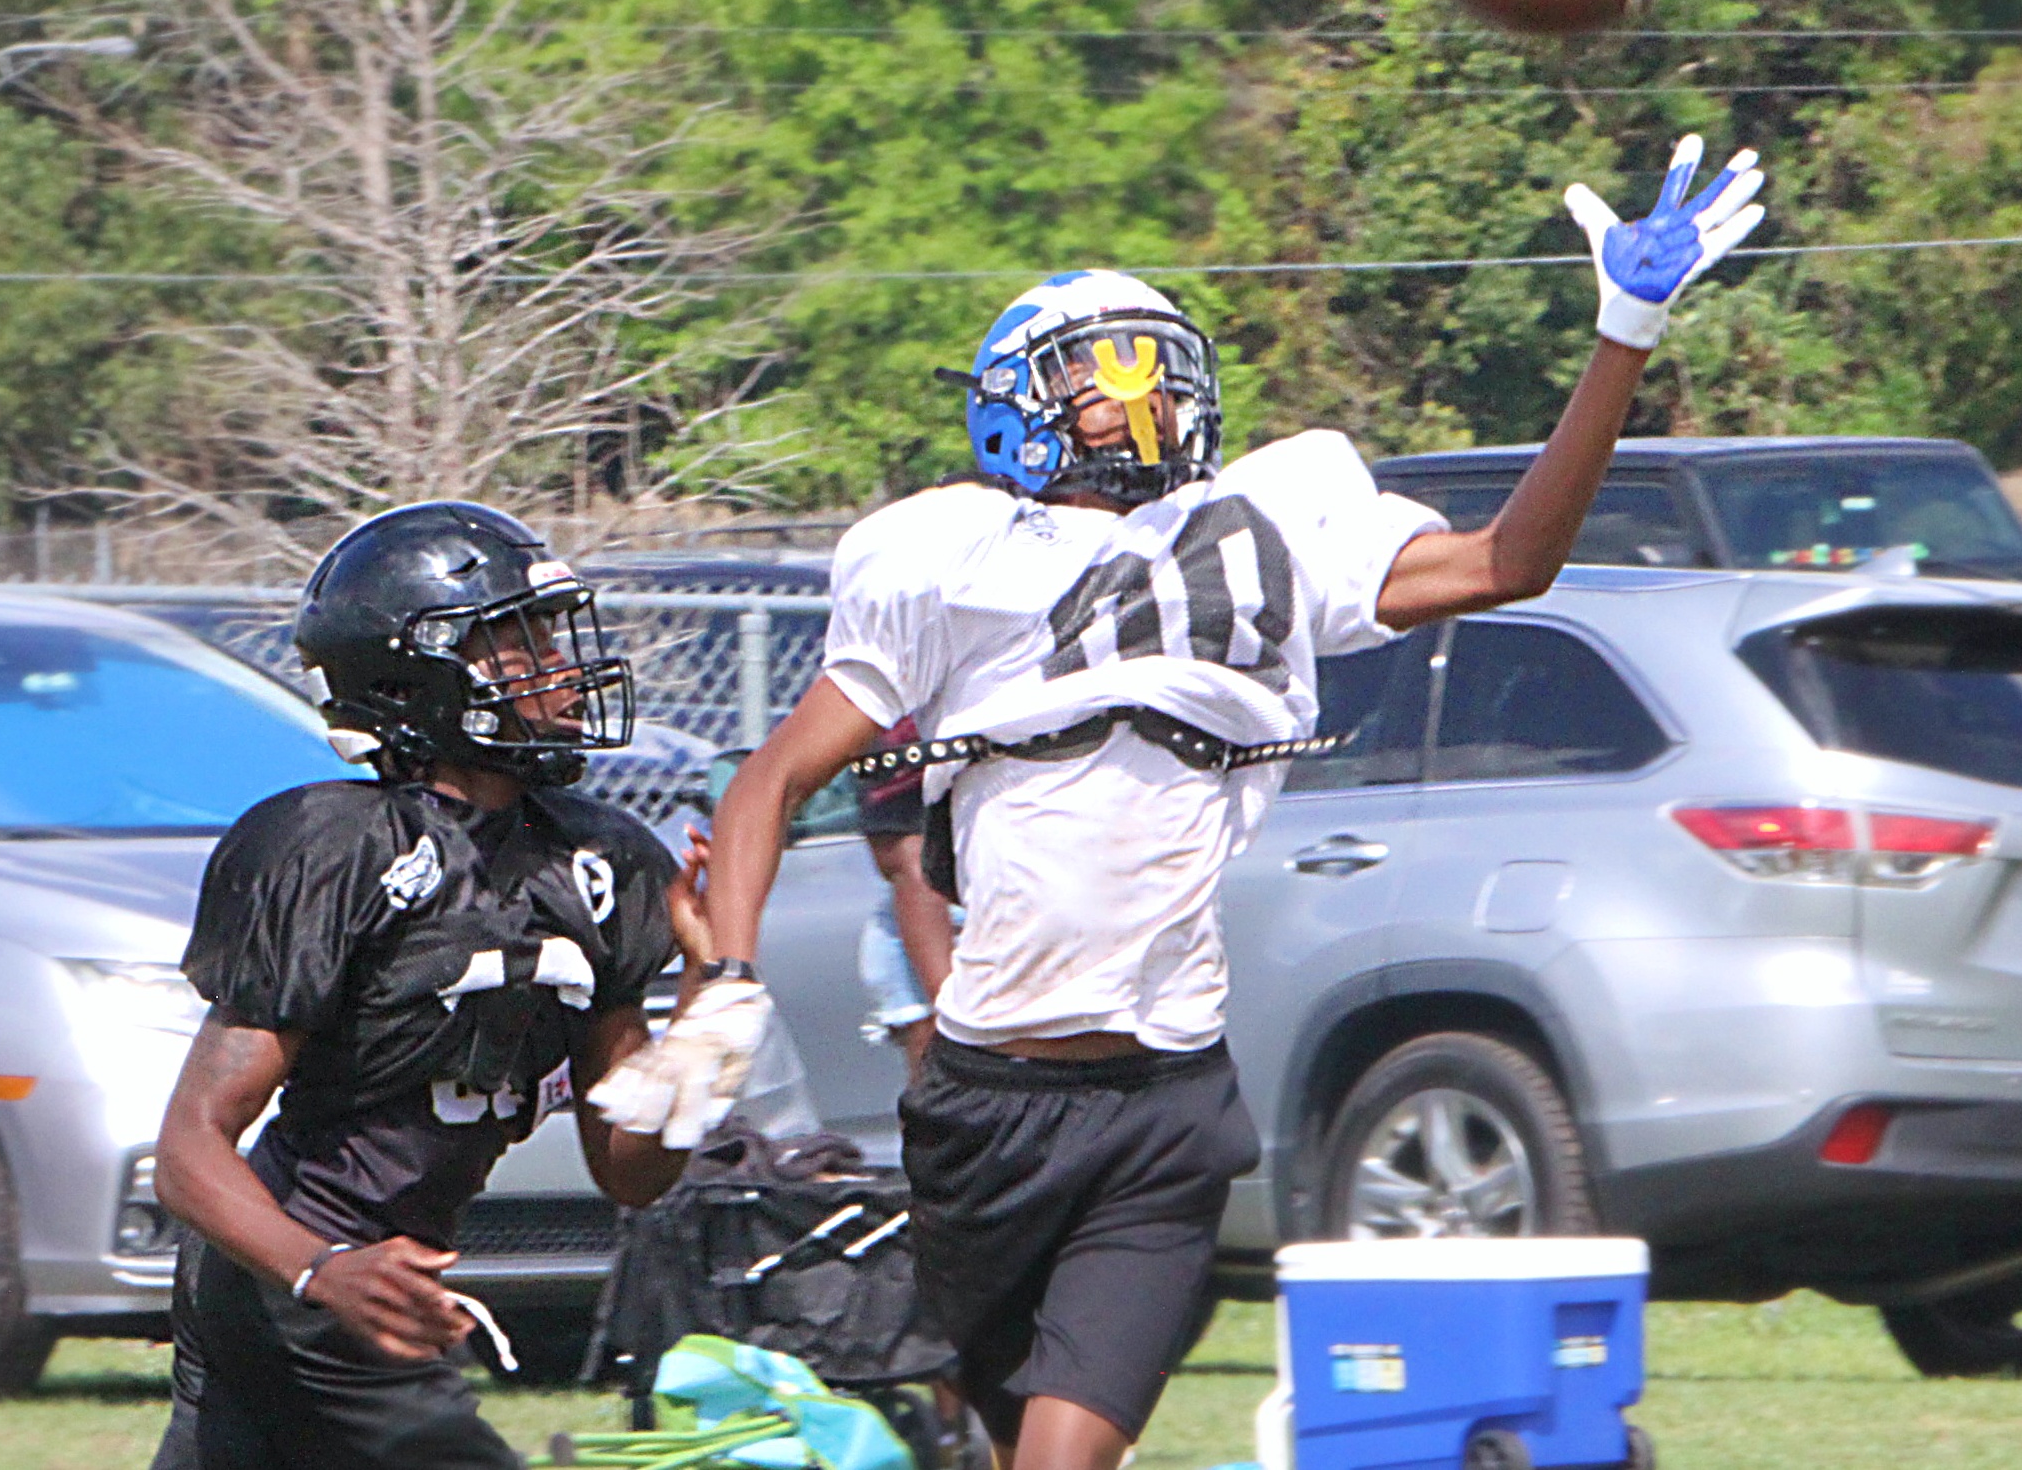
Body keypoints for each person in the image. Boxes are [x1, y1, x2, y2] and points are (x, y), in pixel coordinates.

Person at [593, 139, 1767, 1470]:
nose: (1134, 399)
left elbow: (1510, 558)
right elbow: (768, 782)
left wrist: (1620, 334)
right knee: (989, 1435)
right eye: (1098, 380)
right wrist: (730, 980)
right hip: (981, 1107)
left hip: (1163, 1107)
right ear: (1016, 407)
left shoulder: (1265, 523)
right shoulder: (949, 558)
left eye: (1151, 368)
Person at [147, 501, 709, 1470]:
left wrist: (709, 994)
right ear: (418, 673)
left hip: (366, 1276)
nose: (562, 671)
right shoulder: (336, 851)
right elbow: (188, 1150)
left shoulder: (598, 861)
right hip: (300, 1268)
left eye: (552, 639)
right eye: (519, 646)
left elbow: (631, 1169)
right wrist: (322, 1271)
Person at [853, 718, 960, 1077]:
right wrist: (954, 1012)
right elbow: (908, 862)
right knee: (939, 1060)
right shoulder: (896, 720)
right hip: (941, 917)